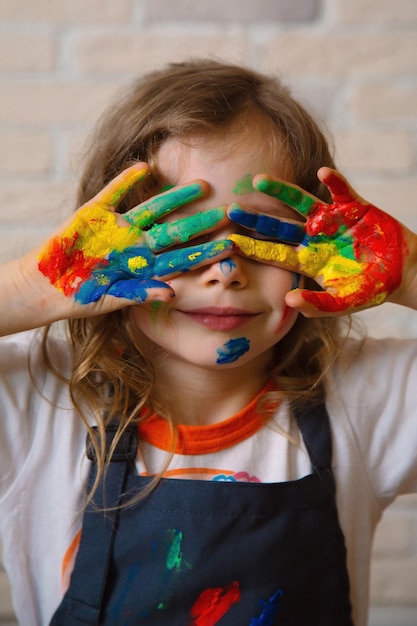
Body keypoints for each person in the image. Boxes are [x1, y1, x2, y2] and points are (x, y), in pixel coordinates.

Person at [0, 59, 416, 626]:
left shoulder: (372, 399)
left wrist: (411, 272)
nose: (223, 270)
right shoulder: (31, 401)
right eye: (184, 234)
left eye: (260, 232)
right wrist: (31, 287)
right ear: (98, 246)